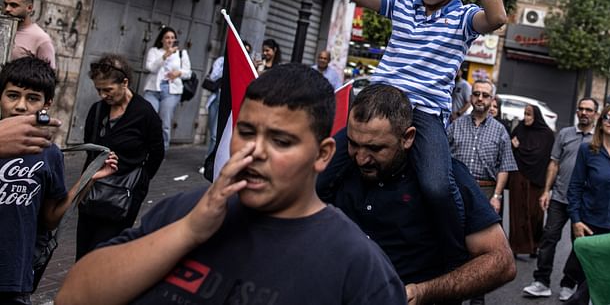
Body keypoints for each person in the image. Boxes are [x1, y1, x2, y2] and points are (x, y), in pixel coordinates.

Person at [58, 64, 407, 305]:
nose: (255, 152)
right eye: (246, 132)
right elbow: (74, 295)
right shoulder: (182, 211)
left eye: (281, 141)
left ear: (322, 154)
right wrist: (189, 231)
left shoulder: (358, 267)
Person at [338, 0, 507, 264]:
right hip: (379, 104)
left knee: (436, 186)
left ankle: (452, 257)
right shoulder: (401, 3)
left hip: (424, 113)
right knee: (325, 166)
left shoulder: (463, 18)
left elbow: (497, 18)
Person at [318, 83, 515, 303]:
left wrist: (422, 292)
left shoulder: (447, 178)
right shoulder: (340, 170)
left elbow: (501, 262)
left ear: (408, 137)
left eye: (376, 148)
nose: (361, 158)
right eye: (354, 144)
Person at [0, 57, 117, 304]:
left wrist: (87, 180)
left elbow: (51, 218)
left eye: (32, 98)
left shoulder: (49, 153)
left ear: (47, 103)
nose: (21, 106)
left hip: (14, 278)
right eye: (12, 95)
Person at [76, 54, 165, 260]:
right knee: (83, 253)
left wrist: (140, 181)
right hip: (93, 191)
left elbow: (157, 153)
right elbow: (90, 146)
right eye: (98, 89)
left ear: (124, 82)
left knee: (103, 254)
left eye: (108, 89)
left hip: (123, 195)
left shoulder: (145, 113)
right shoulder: (97, 110)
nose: (103, 95)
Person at [447, 79, 516, 305]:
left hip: (485, 193)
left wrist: (496, 196)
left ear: (492, 100)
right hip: (455, 192)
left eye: (485, 95)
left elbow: (505, 166)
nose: (480, 98)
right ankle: (452, 296)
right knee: (454, 247)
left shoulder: (500, 132)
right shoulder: (455, 125)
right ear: (470, 97)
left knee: (483, 252)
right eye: (476, 94)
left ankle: (477, 299)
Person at [563, 104, 610, 300]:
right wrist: (576, 220)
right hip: (589, 226)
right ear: (601, 122)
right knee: (585, 281)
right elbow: (575, 187)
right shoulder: (587, 150)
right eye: (607, 117)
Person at [523, 97, 598, 300]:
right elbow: (554, 163)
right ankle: (541, 282)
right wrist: (546, 191)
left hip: (583, 203)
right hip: (559, 197)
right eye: (581, 109)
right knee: (548, 239)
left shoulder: (598, 139)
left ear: (595, 114)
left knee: (580, 246)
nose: (584, 113)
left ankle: (568, 284)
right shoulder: (565, 134)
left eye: (588, 110)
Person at [508, 104, 554, 258]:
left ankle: (534, 246)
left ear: (537, 116)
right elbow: (509, 148)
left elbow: (543, 156)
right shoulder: (520, 129)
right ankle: (517, 246)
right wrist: (514, 147)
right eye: (525, 114)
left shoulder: (547, 135)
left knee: (535, 214)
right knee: (517, 213)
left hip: (537, 179)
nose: (526, 118)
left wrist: (519, 148)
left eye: (529, 115)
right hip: (518, 176)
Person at [142, 26, 191, 150]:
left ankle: (162, 149)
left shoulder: (181, 53)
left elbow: (188, 73)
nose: (170, 40)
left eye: (173, 38)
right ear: (162, 39)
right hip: (153, 89)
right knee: (148, 118)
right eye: (167, 37)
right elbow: (151, 68)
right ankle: (144, 147)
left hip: (171, 91)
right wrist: (165, 56)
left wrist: (178, 73)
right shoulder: (154, 51)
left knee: (164, 122)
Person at [4, 0, 56, 69]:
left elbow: (47, 77)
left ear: (29, 8)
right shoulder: (3, 30)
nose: (7, 9)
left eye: (14, 5)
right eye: (6, 5)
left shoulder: (41, 39)